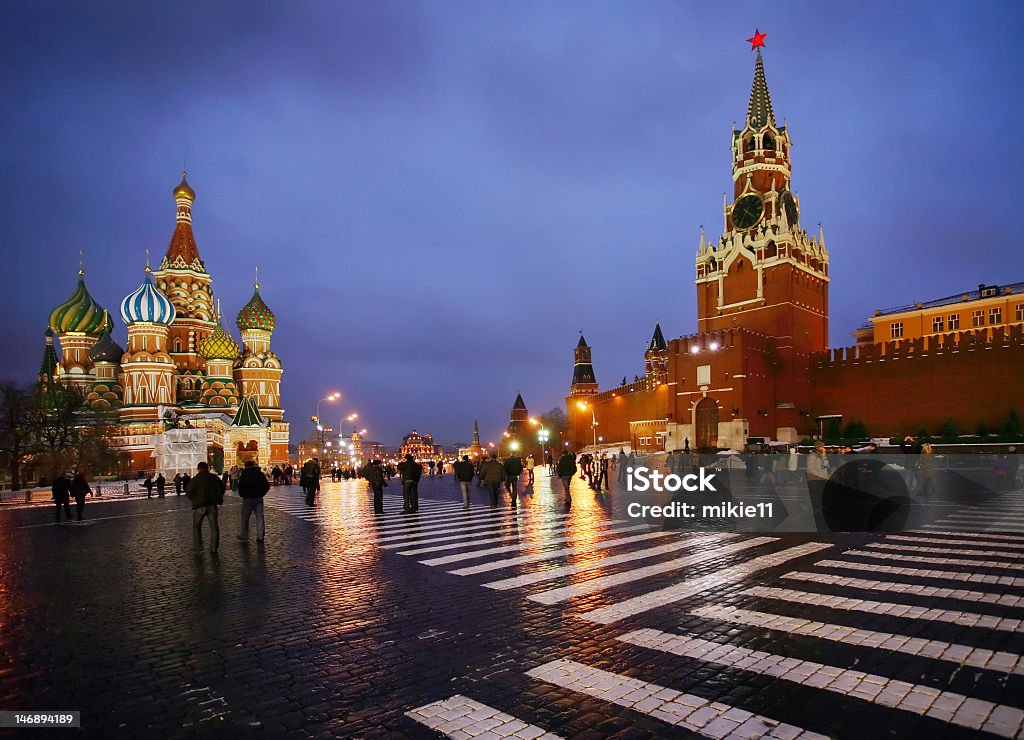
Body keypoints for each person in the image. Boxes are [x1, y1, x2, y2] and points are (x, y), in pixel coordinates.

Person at [186, 461, 225, 553]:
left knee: (196, 526)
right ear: (208, 468)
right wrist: (217, 498)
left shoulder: (196, 479)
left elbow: (189, 491)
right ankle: (214, 548)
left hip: (200, 506)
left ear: (198, 469)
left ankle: (198, 545)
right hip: (212, 505)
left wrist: (194, 499)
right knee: (214, 527)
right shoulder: (214, 478)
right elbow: (222, 488)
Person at [236, 459, 270, 541]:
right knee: (260, 516)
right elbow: (266, 485)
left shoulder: (244, 474)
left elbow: (241, 486)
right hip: (258, 498)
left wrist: (243, 495)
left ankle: (244, 535)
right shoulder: (260, 474)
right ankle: (260, 535)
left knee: (245, 517)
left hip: (247, 498)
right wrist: (262, 494)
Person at [806, 443, 830, 530]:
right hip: (815, 479)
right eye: (821, 447)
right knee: (816, 494)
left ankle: (820, 507)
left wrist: (824, 456)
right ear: (817, 447)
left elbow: (827, 465)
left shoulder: (821, 456)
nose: (823, 448)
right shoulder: (812, 456)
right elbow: (811, 469)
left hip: (822, 478)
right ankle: (816, 509)